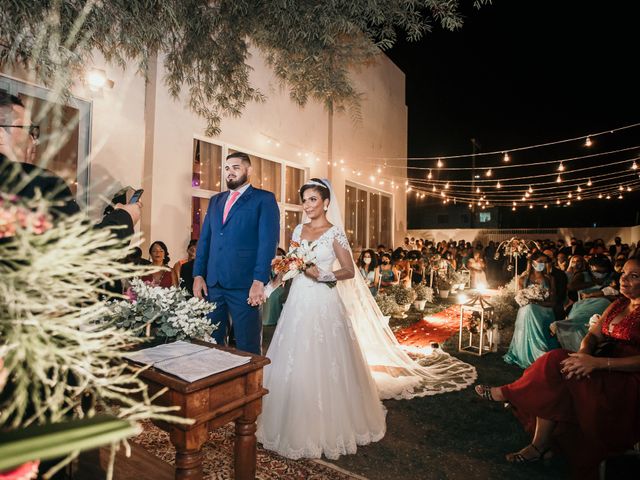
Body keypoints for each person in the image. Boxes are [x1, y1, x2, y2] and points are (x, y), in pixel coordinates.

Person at [475, 259, 640, 480]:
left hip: (626, 381)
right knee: (559, 370)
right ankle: (538, 444)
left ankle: (510, 396)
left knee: (556, 362)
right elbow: (593, 335)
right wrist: (584, 353)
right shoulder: (618, 304)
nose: (624, 279)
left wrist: (597, 363)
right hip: (600, 364)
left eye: (634, 276)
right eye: (624, 273)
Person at [257, 178, 386, 459]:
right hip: (298, 301)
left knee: (327, 360)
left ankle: (328, 425)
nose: (307, 205)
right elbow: (288, 265)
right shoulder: (298, 230)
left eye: (313, 199)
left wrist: (326, 274)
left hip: (324, 302)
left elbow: (350, 270)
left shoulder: (334, 233)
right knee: (292, 357)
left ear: (326, 203)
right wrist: (269, 287)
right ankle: (285, 420)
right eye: (305, 200)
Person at [0, 92, 140, 237]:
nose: (34, 140)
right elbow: (85, 250)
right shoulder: (39, 185)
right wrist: (125, 218)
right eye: (27, 130)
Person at [193, 151, 280, 355]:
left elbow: (268, 243)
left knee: (247, 346)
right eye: (227, 168)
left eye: (236, 167)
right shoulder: (215, 200)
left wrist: (259, 280)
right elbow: (205, 240)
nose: (230, 172)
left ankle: (249, 387)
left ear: (248, 170)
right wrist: (198, 274)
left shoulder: (263, 199)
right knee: (211, 343)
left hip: (245, 285)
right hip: (213, 284)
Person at [503, 252, 560, 369]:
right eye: (540, 262)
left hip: (545, 310)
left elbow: (553, 302)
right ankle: (534, 352)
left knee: (531, 309)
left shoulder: (549, 279)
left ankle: (541, 350)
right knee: (529, 309)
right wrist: (529, 301)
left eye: (545, 262)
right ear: (532, 263)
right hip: (527, 311)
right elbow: (520, 299)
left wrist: (538, 302)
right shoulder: (523, 279)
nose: (543, 264)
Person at [551, 257, 618, 352]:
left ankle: (586, 348)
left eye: (603, 271)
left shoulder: (611, 276)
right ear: (591, 267)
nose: (601, 274)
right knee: (578, 321)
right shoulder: (582, 275)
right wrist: (594, 283)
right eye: (598, 271)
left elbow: (617, 293)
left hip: (603, 303)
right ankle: (567, 325)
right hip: (583, 304)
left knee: (593, 326)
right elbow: (571, 287)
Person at [262, 247, 287, 326]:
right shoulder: (266, 266)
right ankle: (268, 320)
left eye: (279, 255)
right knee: (273, 295)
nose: (277, 256)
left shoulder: (285, 266)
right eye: (276, 254)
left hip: (281, 287)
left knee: (277, 294)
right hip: (268, 287)